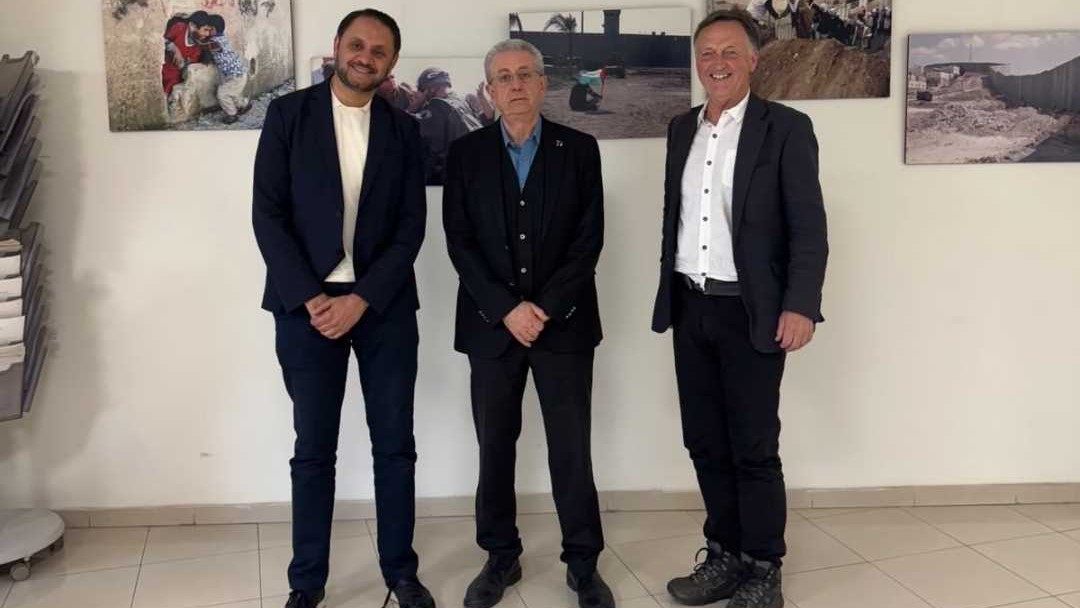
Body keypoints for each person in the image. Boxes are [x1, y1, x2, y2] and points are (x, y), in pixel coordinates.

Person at [252, 9, 434, 608]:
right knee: (313, 452)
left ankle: (400, 573)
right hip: (305, 309)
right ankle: (306, 583)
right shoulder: (287, 115)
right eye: (356, 43)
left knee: (395, 447)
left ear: (391, 63)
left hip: (380, 306)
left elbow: (411, 228)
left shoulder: (404, 130)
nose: (366, 55)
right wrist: (311, 298)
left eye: (379, 49)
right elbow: (268, 216)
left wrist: (360, 298)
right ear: (337, 47)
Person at [651, 8, 827, 608]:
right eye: (707, 54)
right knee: (703, 441)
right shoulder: (681, 129)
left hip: (752, 311)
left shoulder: (786, 128)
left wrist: (801, 305)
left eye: (729, 52)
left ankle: (763, 568)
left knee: (753, 447)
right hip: (689, 305)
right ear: (696, 63)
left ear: (754, 59)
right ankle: (723, 554)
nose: (717, 63)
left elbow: (808, 227)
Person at [443, 38, 614, 608]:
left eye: (525, 75)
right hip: (491, 328)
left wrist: (541, 307)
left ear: (543, 84)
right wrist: (506, 309)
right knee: (494, 445)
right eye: (503, 78)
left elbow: (588, 242)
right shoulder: (464, 155)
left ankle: (583, 564)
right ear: (488, 91)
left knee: (572, 447)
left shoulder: (581, 150)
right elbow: (460, 244)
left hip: (562, 326)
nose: (515, 86)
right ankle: (500, 557)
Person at [413, 67, 484, 184]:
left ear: (430, 89)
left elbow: (411, 127)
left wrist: (415, 106)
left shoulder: (438, 105)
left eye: (422, 90)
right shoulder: (462, 102)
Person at [206, 14, 251, 124]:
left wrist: (196, 39)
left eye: (208, 29)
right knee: (232, 93)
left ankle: (232, 114)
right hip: (238, 73)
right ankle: (244, 105)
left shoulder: (215, 41)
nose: (207, 32)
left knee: (222, 94)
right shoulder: (222, 37)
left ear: (214, 29)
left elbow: (205, 47)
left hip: (235, 75)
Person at [162, 10, 213, 97]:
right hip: (163, 71)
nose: (207, 34)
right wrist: (174, 48)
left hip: (177, 79)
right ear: (192, 26)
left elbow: (188, 66)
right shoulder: (179, 28)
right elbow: (161, 40)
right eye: (205, 30)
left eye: (209, 30)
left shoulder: (200, 46)